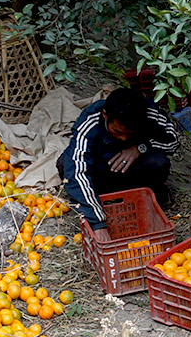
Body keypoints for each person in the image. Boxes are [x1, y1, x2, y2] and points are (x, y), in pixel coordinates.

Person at [60, 87, 179, 233]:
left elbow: (172, 143)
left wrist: (141, 147)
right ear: (105, 115)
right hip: (102, 172)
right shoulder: (90, 122)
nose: (123, 138)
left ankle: (150, 197)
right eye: (117, 132)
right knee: (66, 163)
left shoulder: (150, 114)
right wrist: (98, 223)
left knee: (158, 162)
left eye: (130, 133)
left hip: (134, 172)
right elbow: (78, 171)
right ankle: (98, 200)